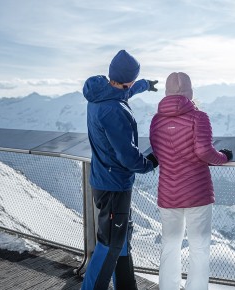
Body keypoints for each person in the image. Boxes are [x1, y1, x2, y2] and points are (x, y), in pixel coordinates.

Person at [81, 49, 160, 290]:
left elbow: (124, 90)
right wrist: (150, 163)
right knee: (110, 243)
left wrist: (144, 85)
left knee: (121, 238)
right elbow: (126, 155)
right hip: (115, 183)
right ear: (129, 78)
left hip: (103, 179)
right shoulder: (114, 110)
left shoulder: (100, 94)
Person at [149, 72, 233, 290]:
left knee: (170, 245)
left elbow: (158, 152)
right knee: (199, 246)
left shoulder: (156, 120)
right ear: (190, 92)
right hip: (197, 192)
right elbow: (204, 151)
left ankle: (168, 287)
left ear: (167, 93)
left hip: (168, 192)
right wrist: (224, 157)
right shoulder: (199, 117)